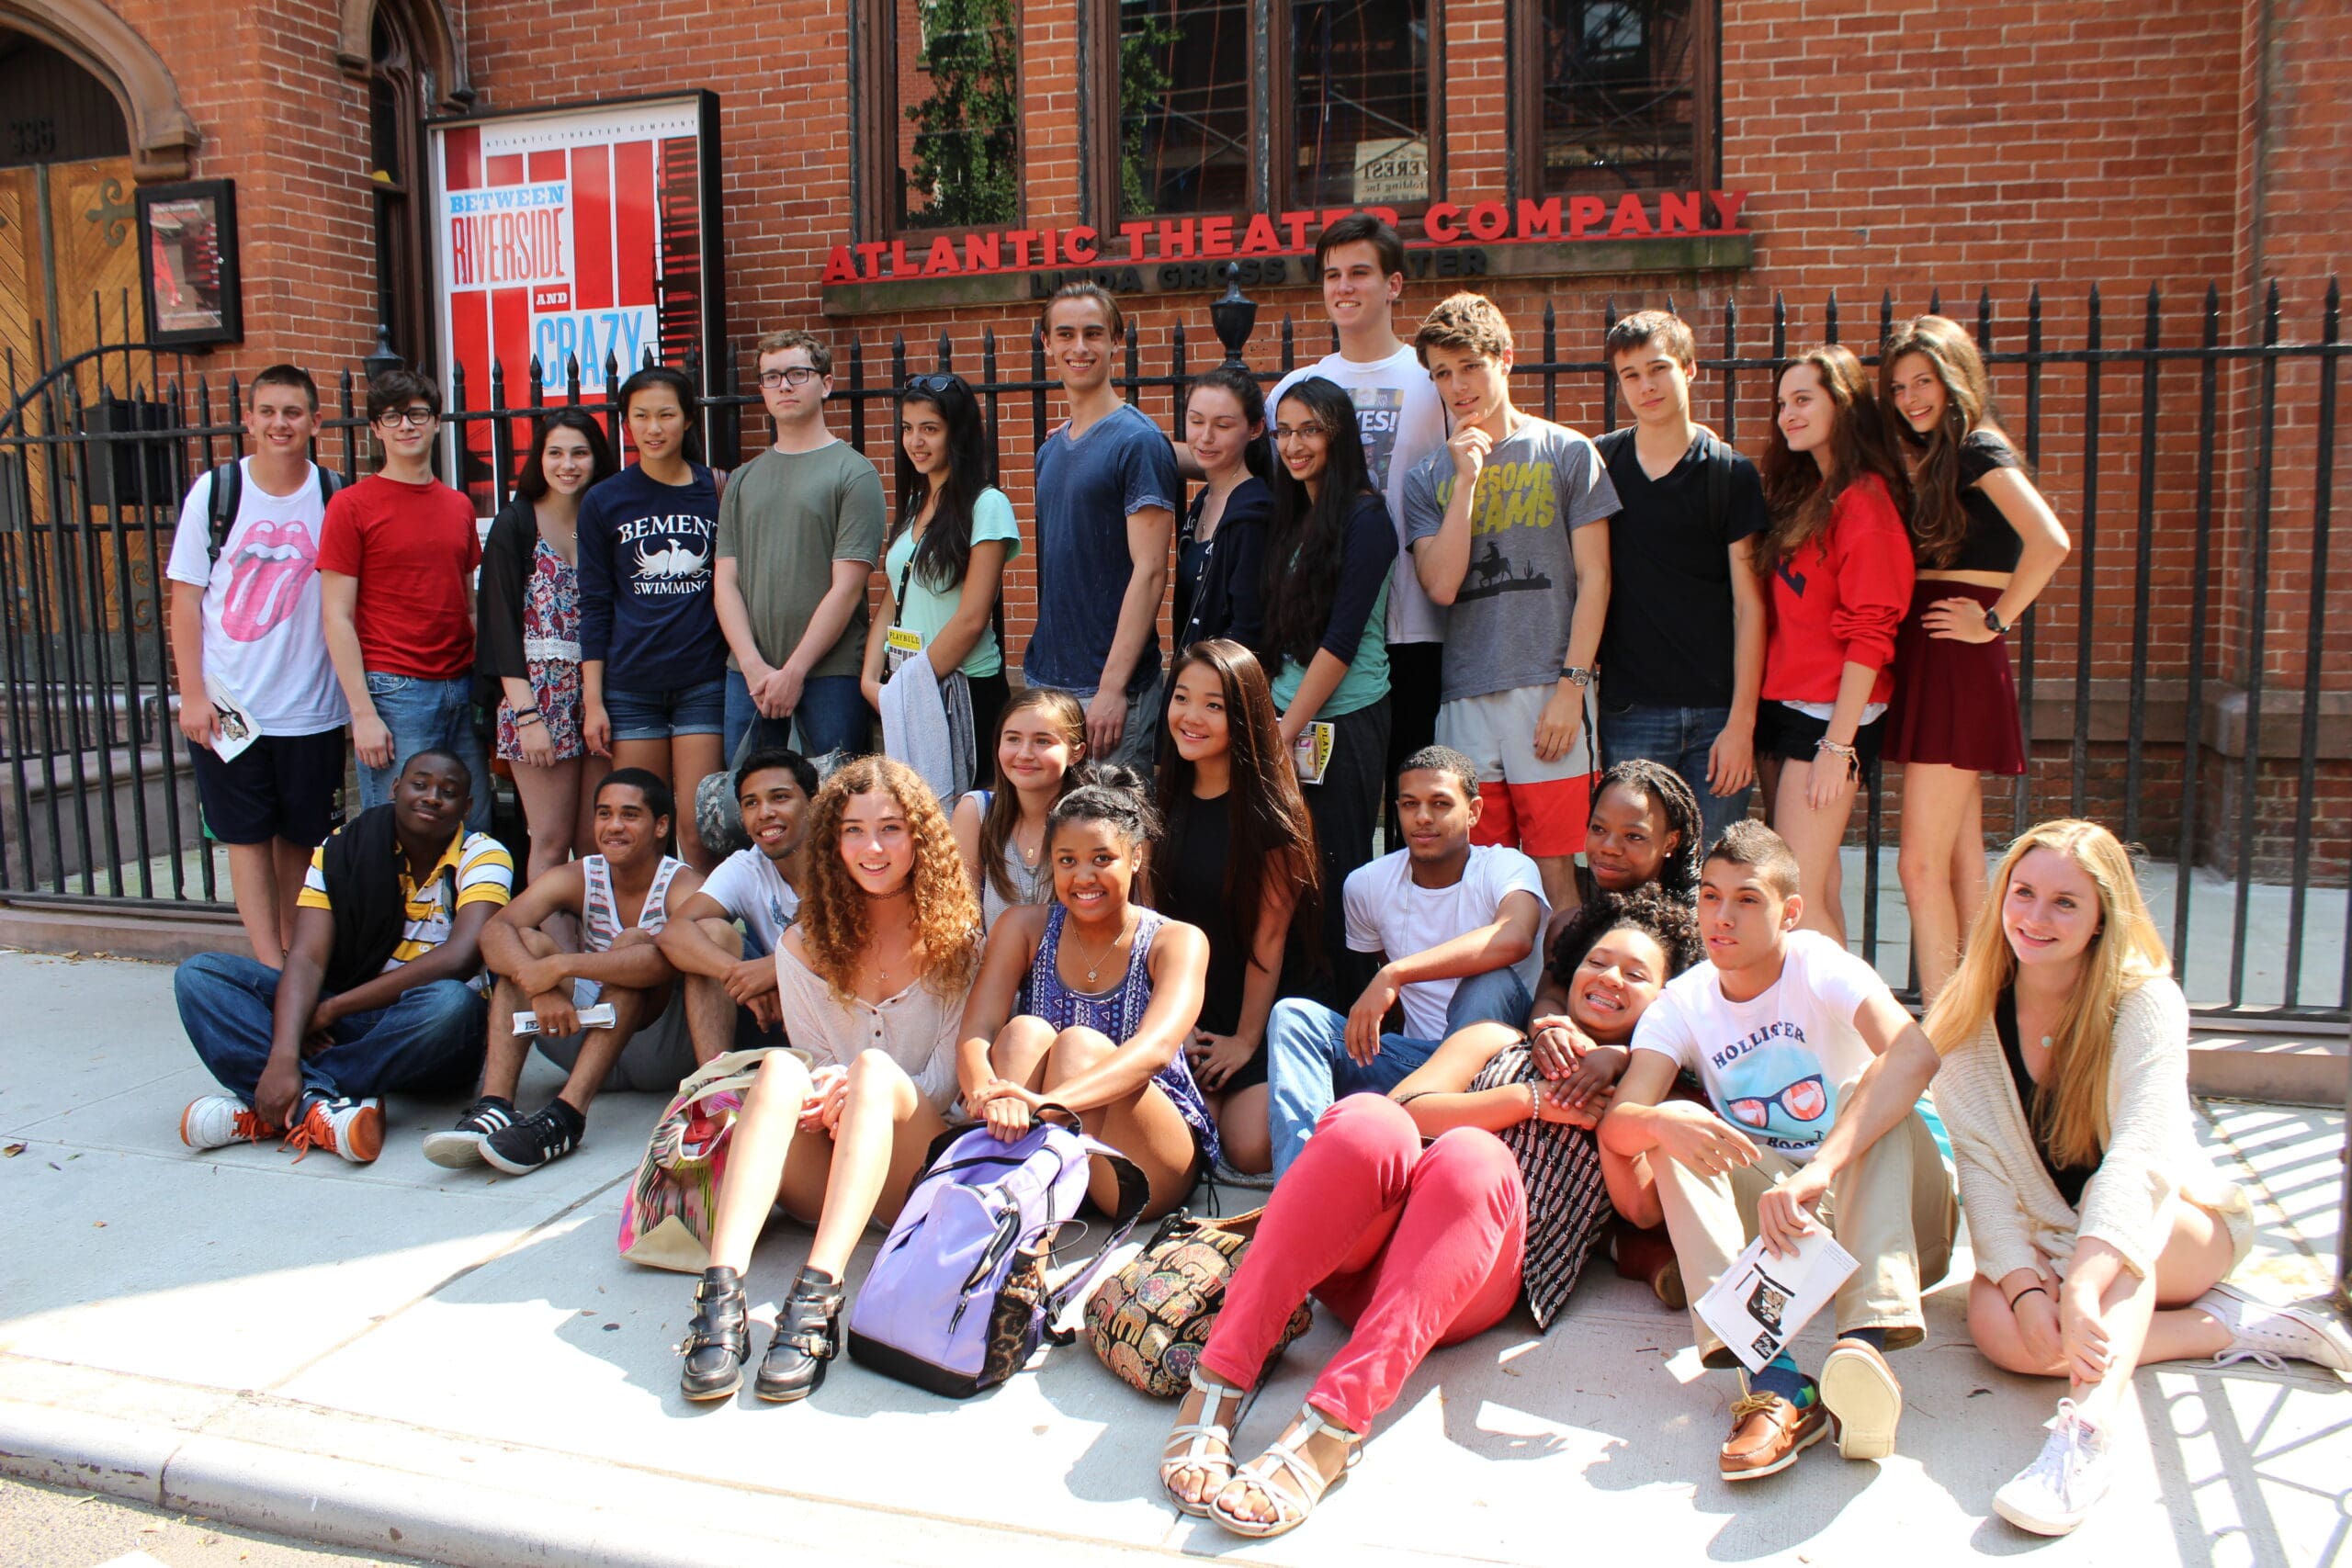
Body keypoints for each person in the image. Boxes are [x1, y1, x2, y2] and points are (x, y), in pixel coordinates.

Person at [1157, 887, 1700, 1540]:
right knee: (1370, 1119)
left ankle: (1332, 1424)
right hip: (1364, 1255)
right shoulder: (1497, 1038)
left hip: (1463, 1283)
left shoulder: (1655, 1093)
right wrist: (1530, 1098)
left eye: (1636, 974)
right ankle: (1217, 1381)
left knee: (1475, 1158)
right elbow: (1413, 1108)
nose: (1610, 978)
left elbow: (1641, 1209)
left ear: (1667, 1002)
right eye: (1598, 961)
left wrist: (1620, 1086)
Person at [1925, 819, 2350, 1535]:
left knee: (2123, 1248)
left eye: (2066, 902)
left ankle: (2086, 1434)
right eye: (2023, 893)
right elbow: (1984, 1175)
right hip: (2054, 1236)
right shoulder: (1968, 1019)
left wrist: (2084, 1282)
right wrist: (2028, 1290)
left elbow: (2141, 1161)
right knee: (2004, 1334)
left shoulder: (2146, 1002)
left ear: (2100, 918)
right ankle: (2229, 1324)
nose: (2035, 916)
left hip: (2178, 1223)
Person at [1601, 819, 1958, 1482]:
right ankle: (1777, 1383)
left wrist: (1821, 1168)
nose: (1722, 917)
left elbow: (1916, 1054)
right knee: (1673, 1123)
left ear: (1790, 912)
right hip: (1790, 1241)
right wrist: (1660, 1123)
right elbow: (1620, 1125)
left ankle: (1864, 1348)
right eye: (1710, 896)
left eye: (1747, 899)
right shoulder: (1682, 1003)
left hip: (1899, 1227)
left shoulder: (1819, 964)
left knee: (1868, 1086)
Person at [676, 756, 985, 1404]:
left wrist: (860, 1088)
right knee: (783, 1067)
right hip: (832, 1164)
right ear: (831, 841)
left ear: (920, 838)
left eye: (891, 829)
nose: (871, 847)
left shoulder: (959, 940)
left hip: (915, 1176)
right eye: (852, 830)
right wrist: (827, 1092)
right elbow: (813, 1058)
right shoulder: (801, 944)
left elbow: (948, 1084)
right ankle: (720, 1295)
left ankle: (816, 1297)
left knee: (872, 1069)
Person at [175, 750, 508, 1164]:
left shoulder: (485, 855)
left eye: (449, 791)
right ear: (396, 788)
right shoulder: (340, 850)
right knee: (202, 974)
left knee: (451, 1002)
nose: (432, 797)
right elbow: (307, 959)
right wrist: (282, 1054)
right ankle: (313, 1106)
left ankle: (275, 1104)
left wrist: (330, 1010)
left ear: (468, 807)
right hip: (347, 1018)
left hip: (424, 1035)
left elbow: (459, 958)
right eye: (420, 784)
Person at [1404, 293, 1615, 931]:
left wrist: (1570, 688)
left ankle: (1564, 1011)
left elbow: (1596, 578)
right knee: (1485, 872)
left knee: (1558, 868)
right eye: (1442, 373)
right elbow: (1440, 585)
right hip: (1465, 696)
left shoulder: (1567, 452)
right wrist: (1464, 481)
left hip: (1546, 691)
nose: (1457, 385)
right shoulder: (1428, 477)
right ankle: (1499, 1015)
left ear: (1506, 360)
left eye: (1469, 366)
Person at [1881, 317, 2073, 1000]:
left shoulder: (1975, 448)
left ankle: (1943, 1031)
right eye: (1900, 387)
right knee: (1960, 862)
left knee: (1918, 865)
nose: (1910, 398)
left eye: (1923, 381)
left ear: (1954, 376)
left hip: (1959, 664)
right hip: (1942, 665)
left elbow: (2050, 540)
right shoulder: (1943, 457)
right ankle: (1978, 1015)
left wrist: (1994, 620)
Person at [1262, 745, 1548, 1179]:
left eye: (1439, 804)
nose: (1423, 818)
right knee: (1292, 1016)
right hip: (1416, 1070)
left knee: (1488, 981)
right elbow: (1374, 973)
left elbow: (1516, 937)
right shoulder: (1368, 885)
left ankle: (1436, 1141)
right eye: (1410, 805)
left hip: (1492, 1068)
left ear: (1473, 811)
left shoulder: (1506, 866)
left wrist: (1398, 972)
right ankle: (1302, 1181)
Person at [957, 771, 1216, 1217]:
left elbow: (1154, 1050)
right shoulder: (1023, 927)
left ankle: (1028, 1234)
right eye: (1067, 860)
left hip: (1141, 1163)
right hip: (1039, 1139)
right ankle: (1014, 1212)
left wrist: (1050, 1104)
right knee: (1023, 1030)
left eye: (1102, 858)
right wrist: (990, 1094)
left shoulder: (1175, 940)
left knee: (1080, 1044)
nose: (1084, 877)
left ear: (1135, 858)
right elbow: (977, 1030)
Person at [166, 363, 348, 966]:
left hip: (311, 703)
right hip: (230, 705)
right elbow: (186, 599)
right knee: (244, 836)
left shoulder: (334, 495)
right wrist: (191, 695)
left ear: (315, 422)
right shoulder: (216, 494)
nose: (279, 423)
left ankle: (298, 958)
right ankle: (269, 964)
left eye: (292, 412)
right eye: (267, 411)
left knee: (302, 838)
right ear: (248, 419)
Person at [429, 768, 695, 1173]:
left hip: (653, 1048)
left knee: (631, 946)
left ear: (661, 826)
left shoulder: (681, 883)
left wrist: (560, 966)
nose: (614, 826)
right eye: (604, 814)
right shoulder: (579, 875)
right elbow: (495, 930)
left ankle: (567, 1116)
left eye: (630, 815)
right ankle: (495, 1107)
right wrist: (539, 987)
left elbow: (657, 963)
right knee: (527, 942)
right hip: (577, 1033)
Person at [1265, 215, 1450, 791]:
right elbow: (1235, 457)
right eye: (1332, 275)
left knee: (1413, 803)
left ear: (1393, 285)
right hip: (1327, 628)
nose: (1343, 287)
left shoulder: (1431, 380)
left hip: (1418, 622)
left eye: (1359, 273)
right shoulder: (1296, 387)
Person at [1752, 344, 1915, 946]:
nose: (1787, 414)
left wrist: (1837, 746)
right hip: (1787, 705)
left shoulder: (1866, 502)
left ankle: (1847, 1033)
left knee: (1792, 892)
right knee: (1812, 885)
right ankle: (1835, 1030)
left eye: (1803, 400)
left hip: (1826, 717)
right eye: (1781, 404)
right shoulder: (1814, 494)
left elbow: (1873, 632)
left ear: (1841, 405)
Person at [1594, 310, 1770, 848]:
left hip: (1717, 714)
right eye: (1630, 375)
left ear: (1690, 369)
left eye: (1658, 368)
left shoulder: (1729, 473)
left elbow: (1750, 606)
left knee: (1711, 872)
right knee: (1629, 874)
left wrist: (1741, 725)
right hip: (1631, 711)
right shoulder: (1602, 463)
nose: (1645, 386)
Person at [1157, 640, 1320, 1177]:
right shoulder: (1161, 797)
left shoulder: (1273, 817)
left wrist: (1246, 1041)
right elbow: (1153, 926)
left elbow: (1269, 942)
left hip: (1258, 1011)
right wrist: (1175, 1024)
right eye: (1182, 699)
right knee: (1182, 1137)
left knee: (1249, 1147)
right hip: (1185, 1009)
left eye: (1213, 705)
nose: (1191, 717)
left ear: (1244, 716)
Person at [1263, 377, 1397, 968]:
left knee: (1339, 874)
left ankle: (1343, 1018)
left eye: (1310, 430)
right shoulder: (1295, 515)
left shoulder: (1367, 520)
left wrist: (1285, 731)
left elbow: (1341, 642)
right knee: (1287, 873)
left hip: (1343, 722)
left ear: (1339, 436)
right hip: (1287, 719)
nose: (1294, 445)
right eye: (1284, 431)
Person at [320, 370, 489, 830]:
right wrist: (362, 714)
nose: (406, 426)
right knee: (403, 831)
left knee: (473, 827)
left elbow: (467, 601)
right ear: (376, 428)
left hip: (460, 684)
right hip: (396, 691)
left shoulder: (458, 505)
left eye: (417, 414)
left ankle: (464, 906)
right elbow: (336, 615)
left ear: (436, 422)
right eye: (391, 417)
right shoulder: (351, 506)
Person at [1023, 284, 1182, 770]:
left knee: (1113, 837)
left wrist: (1113, 687)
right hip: (1046, 684)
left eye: (1093, 333)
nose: (1080, 347)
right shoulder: (1050, 451)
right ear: (1046, 343)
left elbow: (1152, 571)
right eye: (1065, 334)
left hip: (1108, 694)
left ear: (1116, 340)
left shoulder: (1138, 442)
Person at [578, 366, 727, 870]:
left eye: (666, 414)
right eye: (640, 416)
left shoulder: (718, 490)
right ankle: (641, 936)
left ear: (688, 420)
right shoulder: (604, 500)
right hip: (629, 684)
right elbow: (594, 603)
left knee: (698, 828)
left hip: (702, 678)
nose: (654, 427)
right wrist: (593, 700)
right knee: (640, 827)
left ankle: (703, 935)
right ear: (626, 424)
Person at [718, 330, 887, 761]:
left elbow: (846, 589)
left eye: (797, 373)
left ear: (826, 384)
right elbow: (726, 583)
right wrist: (754, 666)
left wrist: (794, 671)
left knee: (832, 812)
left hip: (828, 677)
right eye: (771, 377)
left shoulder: (854, 474)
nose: (784, 386)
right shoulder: (742, 479)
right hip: (748, 677)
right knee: (749, 812)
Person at [476, 409, 619, 883]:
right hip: (538, 699)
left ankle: (594, 949)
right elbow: (497, 625)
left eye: (580, 453)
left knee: (597, 841)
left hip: (601, 698)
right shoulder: (516, 523)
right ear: (539, 459)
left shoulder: (605, 520)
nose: (568, 464)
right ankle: (550, 953)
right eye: (555, 452)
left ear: (597, 459)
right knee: (551, 841)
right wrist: (526, 716)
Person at [861, 372, 1018, 787]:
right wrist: (870, 678)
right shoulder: (916, 503)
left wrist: (910, 689)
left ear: (958, 434)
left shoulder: (988, 505)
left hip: (965, 688)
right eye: (908, 429)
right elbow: (894, 597)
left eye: (930, 429)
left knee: (963, 823)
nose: (915, 442)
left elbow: (972, 619)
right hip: (910, 688)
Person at [658, 747, 819, 1062]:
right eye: (751, 804)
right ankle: (715, 1090)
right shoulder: (747, 866)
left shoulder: (849, 856)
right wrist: (741, 976)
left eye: (780, 797)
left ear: (814, 804)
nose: (765, 812)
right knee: (710, 935)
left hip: (839, 1010)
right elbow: (673, 933)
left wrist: (774, 970)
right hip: (769, 1013)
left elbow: (868, 939)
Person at [953, 687, 1089, 931]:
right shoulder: (976, 813)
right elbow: (962, 921)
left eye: (1042, 741)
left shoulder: (1094, 823)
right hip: (989, 966)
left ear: (1076, 753)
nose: (1024, 754)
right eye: (1013, 738)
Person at [1171, 366, 1271, 654]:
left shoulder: (1254, 514)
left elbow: (1250, 630)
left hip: (1225, 685)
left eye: (1223, 425)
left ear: (1255, 429)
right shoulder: (1203, 500)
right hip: (1195, 681)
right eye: (1196, 421)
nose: (1205, 437)